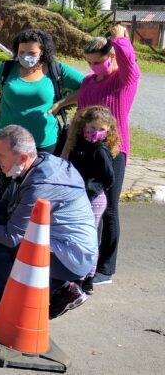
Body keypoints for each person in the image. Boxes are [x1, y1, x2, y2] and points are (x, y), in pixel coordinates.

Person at [0, 125, 97, 319]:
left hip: (69, 257)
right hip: (64, 249)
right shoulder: (35, 166)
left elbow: (11, 236)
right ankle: (52, 289)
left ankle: (8, 298)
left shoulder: (40, 185)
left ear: (23, 158)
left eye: (1, 155)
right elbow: (8, 207)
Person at [53, 25, 140, 287]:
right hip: (84, 151)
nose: (94, 67)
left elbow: (129, 61)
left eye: (99, 61)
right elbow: (81, 107)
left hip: (112, 151)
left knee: (109, 208)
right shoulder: (90, 82)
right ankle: (86, 260)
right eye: (90, 62)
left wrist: (121, 38)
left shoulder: (124, 80)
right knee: (88, 206)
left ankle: (106, 268)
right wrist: (67, 148)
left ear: (112, 56)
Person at [0, 29, 85, 199]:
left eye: (31, 52)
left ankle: (28, 224)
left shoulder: (56, 69)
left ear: (43, 52)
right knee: (6, 185)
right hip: (6, 141)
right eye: (21, 52)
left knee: (38, 187)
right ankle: (0, 222)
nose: (26, 56)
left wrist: (62, 103)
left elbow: (87, 86)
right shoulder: (8, 69)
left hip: (44, 142)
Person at [64, 105, 120, 295]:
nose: (96, 133)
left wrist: (92, 189)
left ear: (108, 131)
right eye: (92, 128)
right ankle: (74, 272)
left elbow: (109, 178)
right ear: (84, 125)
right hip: (77, 197)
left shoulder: (101, 150)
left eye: (101, 129)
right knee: (76, 235)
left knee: (89, 238)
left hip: (94, 199)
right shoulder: (78, 144)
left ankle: (88, 277)